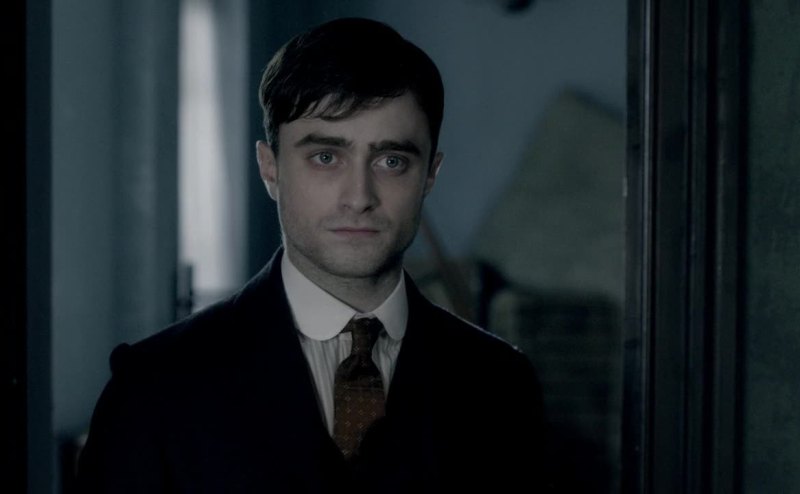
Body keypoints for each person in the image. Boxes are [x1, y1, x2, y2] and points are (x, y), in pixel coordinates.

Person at [77, 17, 548, 492]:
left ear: (430, 174)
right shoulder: (154, 386)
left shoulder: (501, 384)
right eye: (326, 157)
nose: (359, 197)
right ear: (270, 168)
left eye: (391, 161)